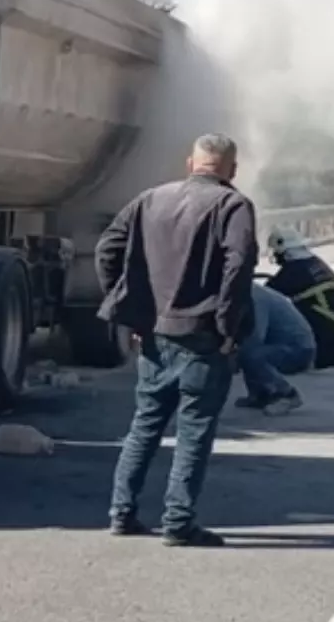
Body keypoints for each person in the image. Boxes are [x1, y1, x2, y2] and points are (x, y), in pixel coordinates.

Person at [94, 132, 257, 546]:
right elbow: (238, 267)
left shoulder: (150, 199)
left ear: (191, 163)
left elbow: (107, 248)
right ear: (232, 169)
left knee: (145, 425)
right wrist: (227, 325)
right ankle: (178, 522)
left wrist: (127, 308)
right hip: (202, 336)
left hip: (154, 332)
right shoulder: (233, 205)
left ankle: (121, 512)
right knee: (194, 430)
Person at [266, 229, 334, 376]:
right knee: (320, 358)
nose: (276, 255)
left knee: (310, 358)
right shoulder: (312, 262)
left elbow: (266, 294)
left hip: (321, 321)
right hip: (330, 319)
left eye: (277, 252)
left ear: (285, 251)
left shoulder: (294, 271)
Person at [233, 278, 316, 414]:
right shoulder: (249, 292)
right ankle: (261, 394)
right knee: (247, 352)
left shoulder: (254, 298)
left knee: (250, 354)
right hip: (284, 345)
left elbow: (255, 336)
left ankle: (286, 394)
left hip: (299, 350)